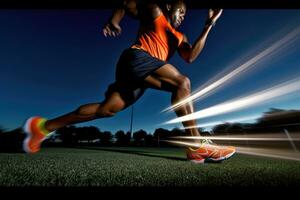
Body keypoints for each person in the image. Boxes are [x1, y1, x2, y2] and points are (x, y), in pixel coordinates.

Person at [23, 0, 235, 163]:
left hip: (142, 75)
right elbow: (126, 3)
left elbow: (190, 57)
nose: (182, 17)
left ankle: (43, 127)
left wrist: (208, 25)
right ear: (170, 6)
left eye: (185, 15)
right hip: (136, 58)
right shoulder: (155, 12)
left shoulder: (181, 37)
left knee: (106, 110)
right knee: (182, 83)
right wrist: (115, 20)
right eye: (181, 12)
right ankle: (196, 145)